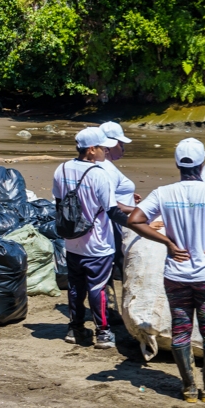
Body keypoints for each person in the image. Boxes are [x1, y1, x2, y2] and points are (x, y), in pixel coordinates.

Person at [126, 139, 205, 403]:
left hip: (176, 275)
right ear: (203, 163)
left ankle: (189, 388)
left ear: (177, 163)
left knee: (181, 330)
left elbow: (134, 219)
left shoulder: (163, 192)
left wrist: (167, 242)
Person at [53, 127, 135, 350]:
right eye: (102, 148)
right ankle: (103, 333)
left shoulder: (61, 169)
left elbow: (60, 205)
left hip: (72, 242)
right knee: (97, 288)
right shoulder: (99, 174)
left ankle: (75, 329)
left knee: (75, 287)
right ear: (91, 150)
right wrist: (139, 224)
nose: (105, 152)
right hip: (98, 243)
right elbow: (113, 212)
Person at [97, 121, 139, 290]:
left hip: (114, 224)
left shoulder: (104, 166)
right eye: (120, 144)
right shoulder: (106, 169)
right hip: (116, 225)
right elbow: (110, 203)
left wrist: (129, 196)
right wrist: (136, 210)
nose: (123, 148)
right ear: (108, 146)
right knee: (122, 270)